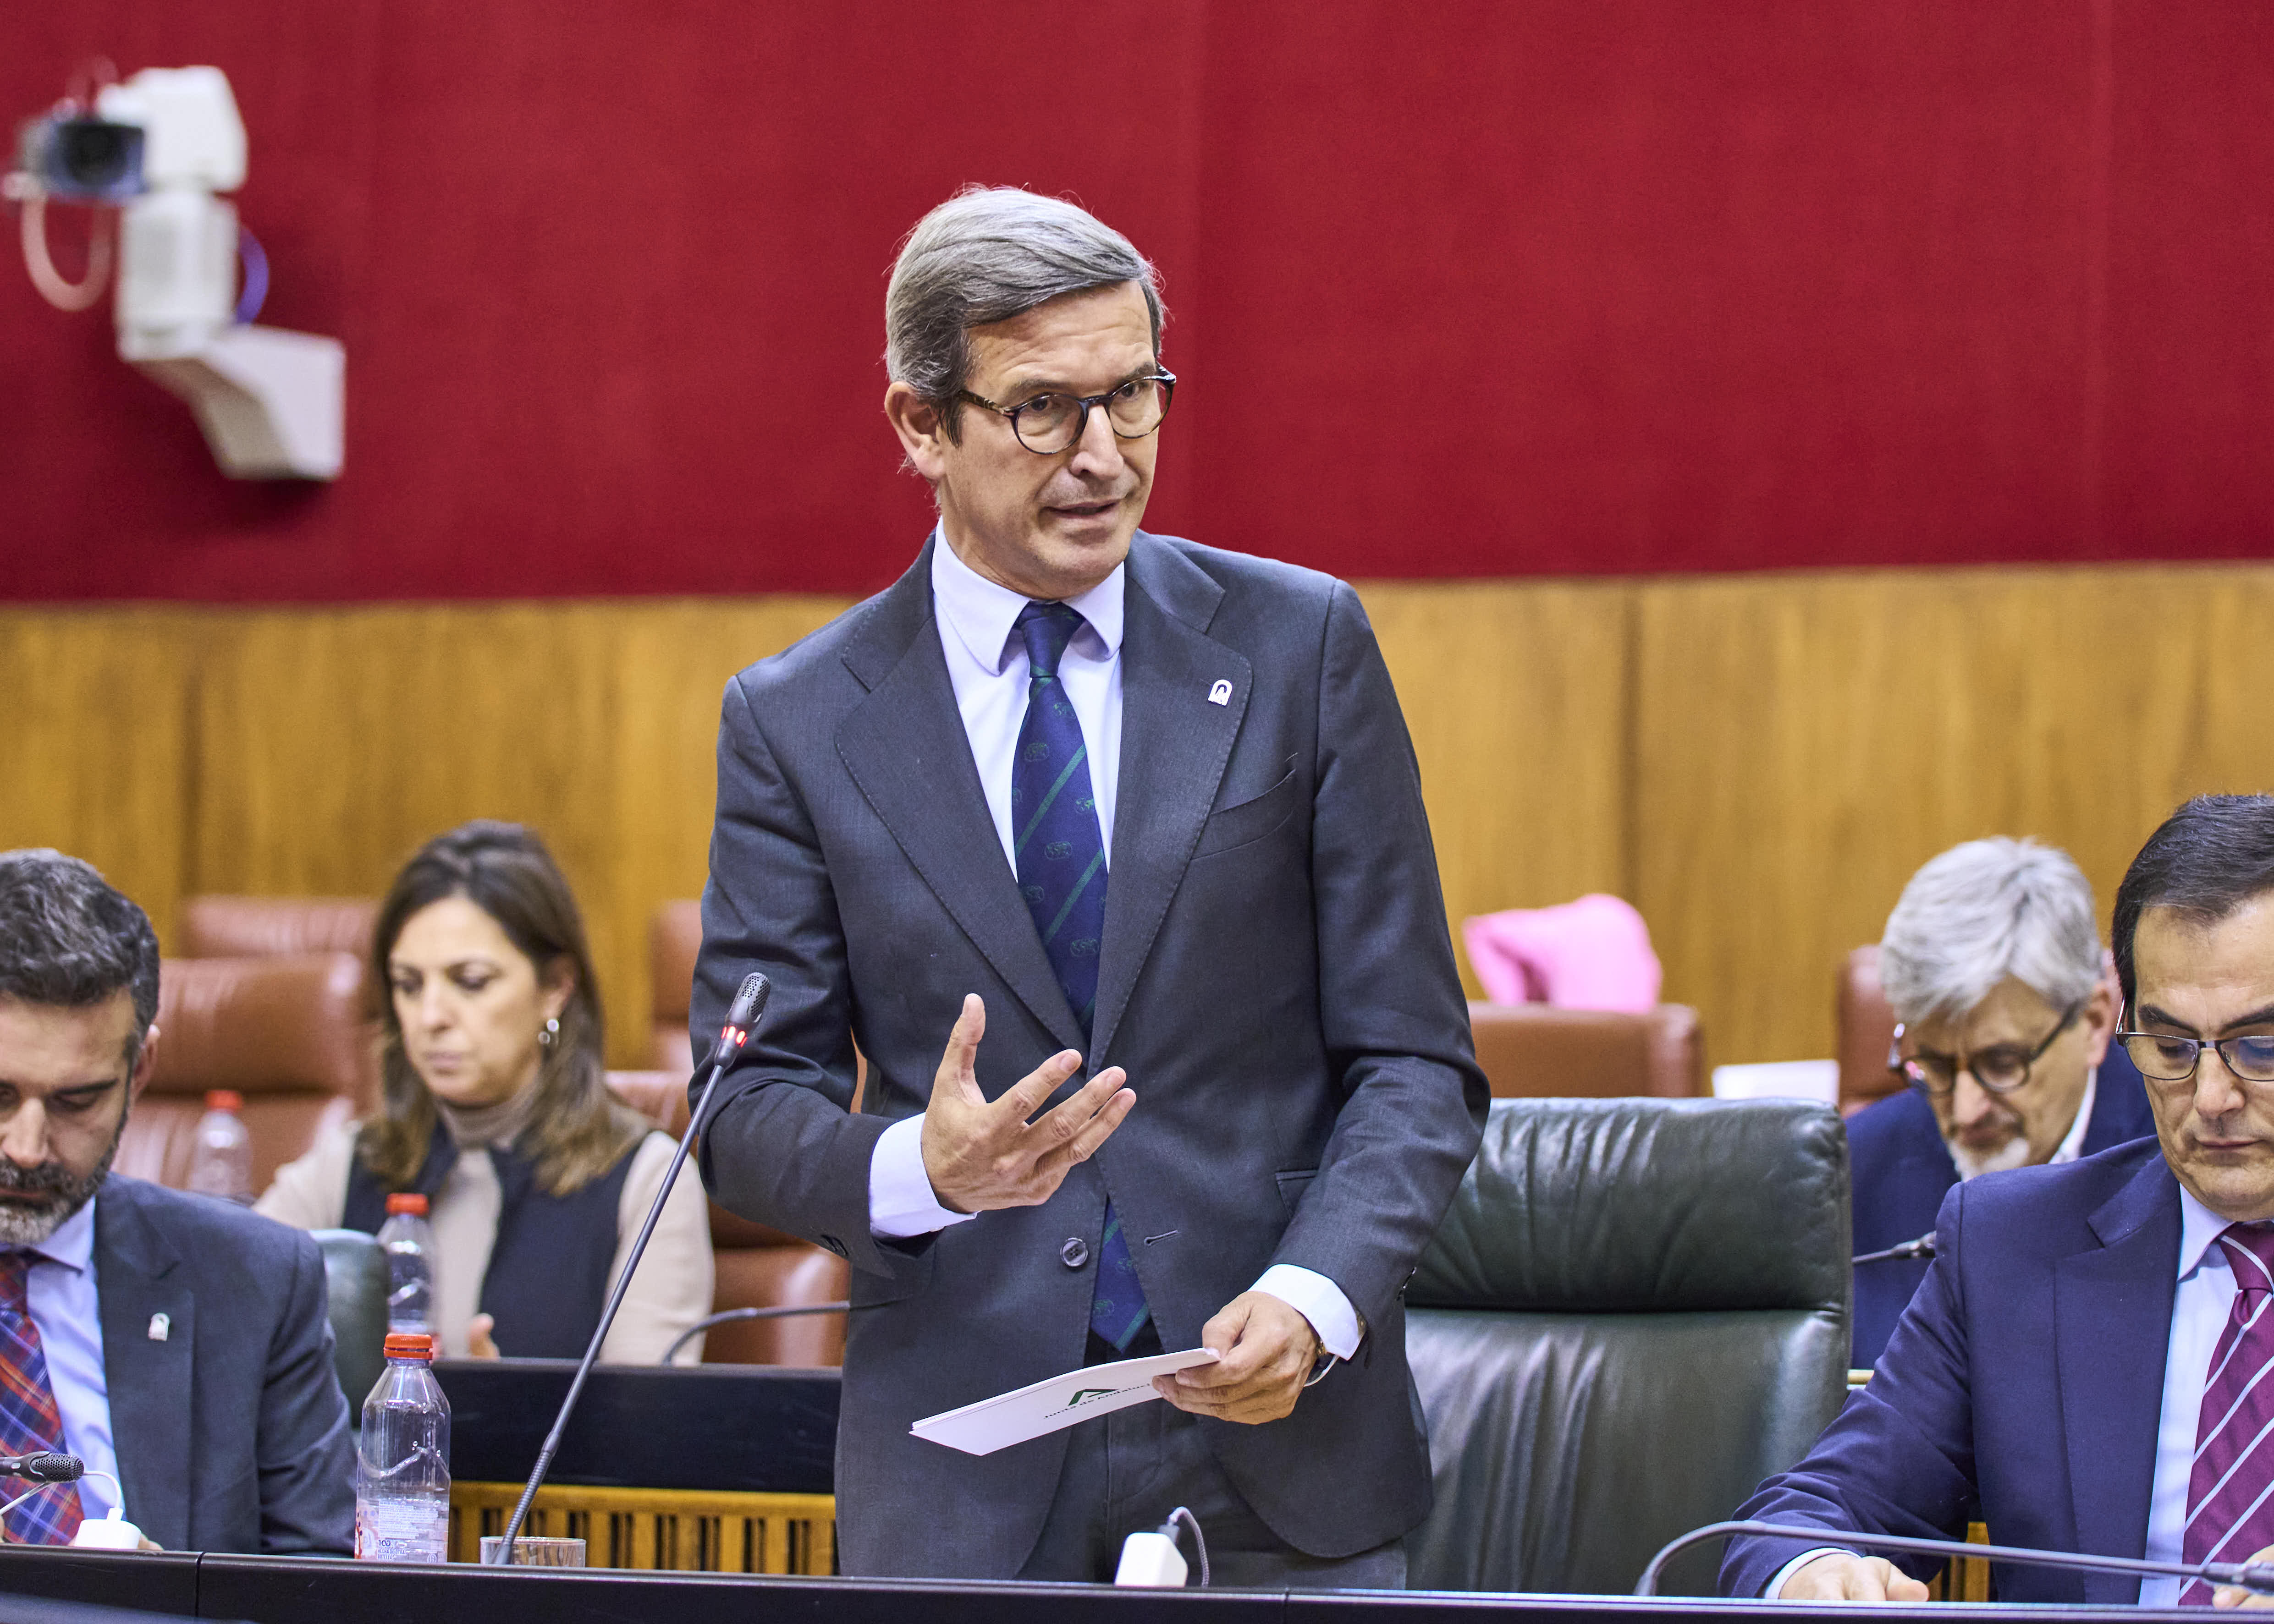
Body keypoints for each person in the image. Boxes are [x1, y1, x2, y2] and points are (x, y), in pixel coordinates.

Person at [691, 187, 1487, 1584]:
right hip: (968, 1470)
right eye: (1044, 410)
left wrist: (1317, 1295)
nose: (1105, 456)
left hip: (1279, 1435)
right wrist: (923, 1168)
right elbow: (746, 1108)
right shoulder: (801, 721)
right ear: (921, 425)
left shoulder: (1300, 648)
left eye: (1134, 395)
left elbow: (1415, 1057)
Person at [1723, 794, 2274, 1606]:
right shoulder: (2009, 1245)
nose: (2212, 1096)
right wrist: (1811, 1570)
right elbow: (1809, 1511)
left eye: (2260, 1046)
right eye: (2171, 1046)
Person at [0, 848, 352, 1553]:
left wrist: (174, 1598)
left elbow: (319, 1586)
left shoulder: (254, 1281)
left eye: (75, 1101)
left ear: (140, 1071)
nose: (27, 1148)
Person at [259, 821, 712, 1362]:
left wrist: (502, 1407)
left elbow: (645, 1415)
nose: (430, 1016)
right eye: (408, 985)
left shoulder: (649, 1181)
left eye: (470, 982)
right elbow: (227, 1290)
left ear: (555, 987)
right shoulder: (355, 1159)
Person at [1846, 838, 2153, 1365]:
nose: (1966, 1111)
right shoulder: (1847, 1177)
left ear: (2093, 1022)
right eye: (1936, 1065)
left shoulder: (2176, 1154)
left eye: (2002, 1063)